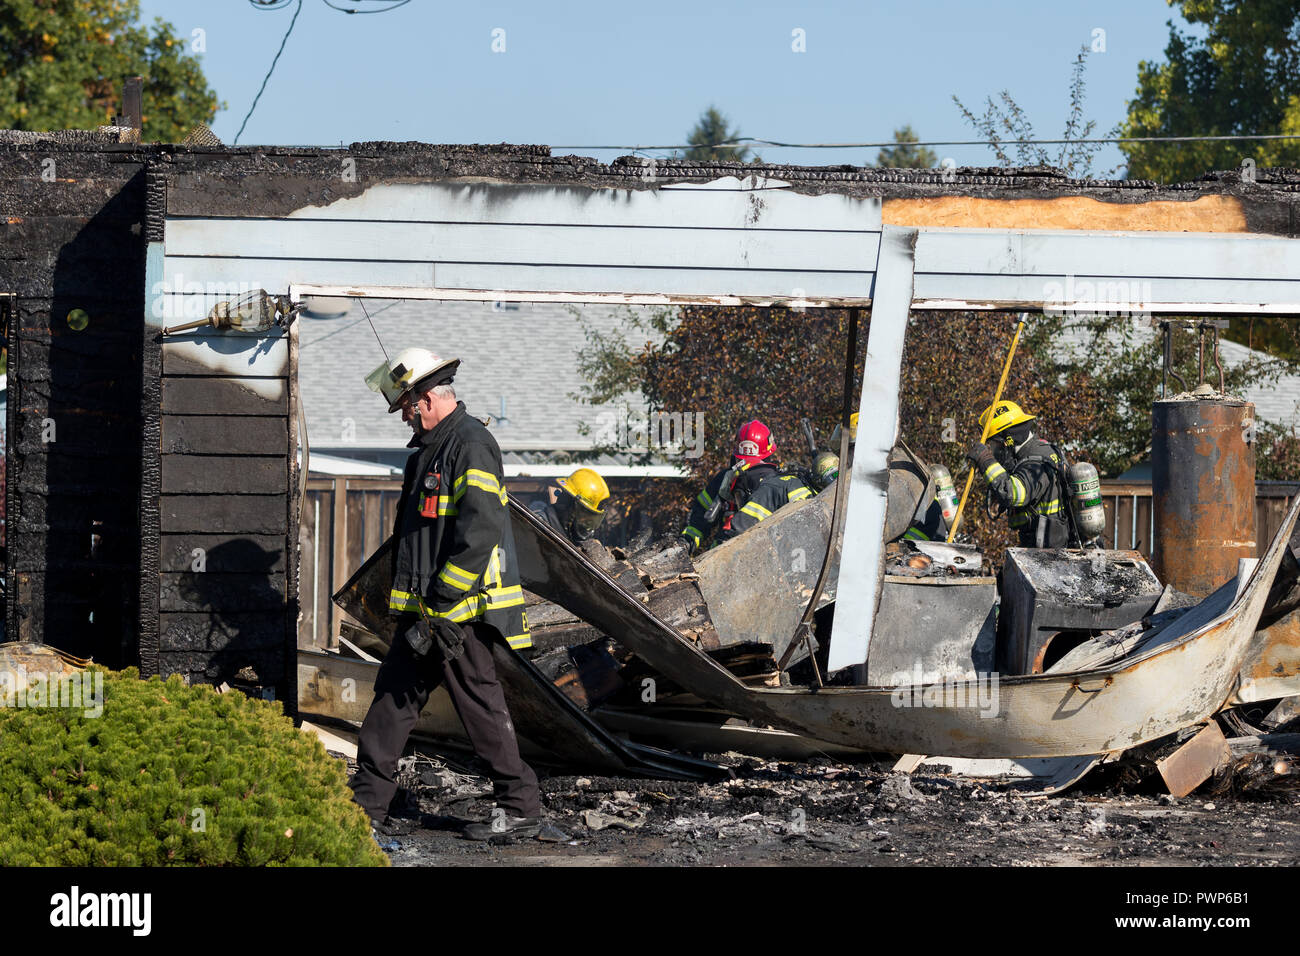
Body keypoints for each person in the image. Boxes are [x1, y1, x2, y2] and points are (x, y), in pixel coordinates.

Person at [349, 347, 558, 844]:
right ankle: (364, 808)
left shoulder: (471, 443)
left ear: (426, 398)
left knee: (481, 711)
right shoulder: (430, 451)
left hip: (455, 615)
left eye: (405, 404)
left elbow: (481, 525)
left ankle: (520, 806)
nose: (404, 414)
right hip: (429, 613)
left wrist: (444, 598)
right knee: (391, 704)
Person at [680, 420, 812, 553]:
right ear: (769, 453)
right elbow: (700, 517)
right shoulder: (725, 480)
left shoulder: (775, 486)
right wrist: (685, 543)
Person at [966, 399, 1071, 548]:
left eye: (994, 445)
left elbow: (1013, 493)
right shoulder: (1034, 454)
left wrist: (985, 460)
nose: (994, 451)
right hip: (1040, 547)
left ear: (1008, 441)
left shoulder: (1037, 462)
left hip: (1049, 555)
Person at [529, 467, 610, 545]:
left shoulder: (569, 534)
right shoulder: (538, 527)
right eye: (585, 513)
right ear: (571, 506)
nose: (586, 525)